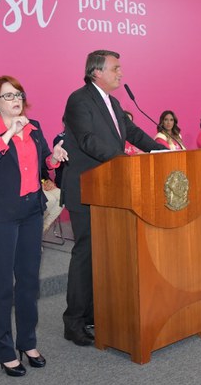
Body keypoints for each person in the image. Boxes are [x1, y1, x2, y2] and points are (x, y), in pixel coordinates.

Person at [60, 50, 165, 347]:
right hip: (87, 188)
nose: (121, 73)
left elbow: (132, 132)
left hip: (110, 189)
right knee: (86, 254)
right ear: (97, 72)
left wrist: (162, 150)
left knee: (104, 254)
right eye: (116, 68)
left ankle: (94, 313)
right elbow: (88, 141)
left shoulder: (114, 102)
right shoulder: (79, 99)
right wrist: (124, 161)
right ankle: (74, 322)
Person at [0, 76, 68, 376]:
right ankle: (4, 351)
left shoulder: (35, 127)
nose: (16, 99)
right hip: (1, 215)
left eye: (19, 94)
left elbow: (43, 163)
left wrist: (53, 159)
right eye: (8, 96)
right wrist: (8, 135)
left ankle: (27, 342)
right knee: (2, 286)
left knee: (28, 281)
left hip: (30, 211)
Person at [153, 110, 201, 222]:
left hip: (181, 168)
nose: (168, 122)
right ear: (162, 122)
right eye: (166, 120)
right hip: (169, 171)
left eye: (171, 120)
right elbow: (167, 155)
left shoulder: (177, 136)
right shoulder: (160, 137)